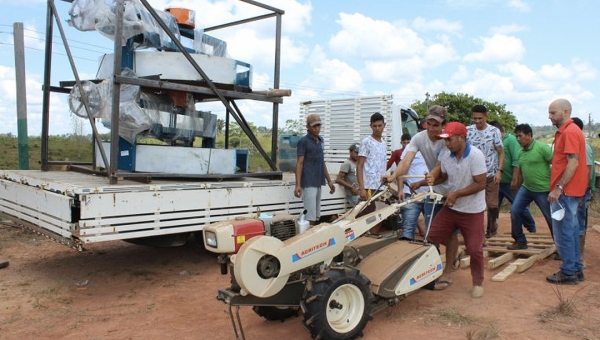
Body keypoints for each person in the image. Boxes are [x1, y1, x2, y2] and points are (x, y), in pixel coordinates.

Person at [384, 105, 461, 275]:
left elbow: (440, 166)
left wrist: (428, 179)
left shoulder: (445, 140)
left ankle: (450, 264)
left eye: (436, 125)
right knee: (431, 231)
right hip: (432, 188)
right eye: (429, 124)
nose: (432, 128)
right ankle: (440, 262)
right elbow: (406, 162)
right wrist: (393, 176)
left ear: (443, 125)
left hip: (450, 188)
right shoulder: (418, 138)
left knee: (450, 232)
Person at [425, 122, 487, 298]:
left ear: (461, 138)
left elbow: (481, 183)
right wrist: (428, 181)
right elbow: (444, 176)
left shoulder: (475, 156)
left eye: (450, 140)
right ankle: (434, 274)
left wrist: (457, 194)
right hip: (452, 208)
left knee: (474, 249)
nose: (447, 144)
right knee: (430, 240)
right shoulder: (446, 155)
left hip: (472, 210)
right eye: (445, 141)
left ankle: (477, 283)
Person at [546, 99, 587, 285]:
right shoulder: (568, 131)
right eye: (549, 112)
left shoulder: (569, 132)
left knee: (564, 232)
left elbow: (573, 162)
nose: (550, 116)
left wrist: (558, 188)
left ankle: (569, 272)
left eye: (553, 113)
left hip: (565, 192)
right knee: (571, 229)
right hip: (571, 190)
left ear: (566, 111)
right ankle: (576, 269)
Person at [506, 124, 553, 250]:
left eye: (520, 136)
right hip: (526, 188)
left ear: (529, 135)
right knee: (515, 211)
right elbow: (521, 170)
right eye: (516, 136)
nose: (518, 139)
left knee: (550, 218)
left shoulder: (542, 148)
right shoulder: (520, 151)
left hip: (543, 190)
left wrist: (556, 187)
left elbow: (556, 165)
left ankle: (560, 247)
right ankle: (520, 240)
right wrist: (517, 185)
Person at [489, 121, 536, 233]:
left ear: (498, 131)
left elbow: (516, 161)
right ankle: (490, 231)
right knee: (492, 207)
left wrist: (515, 180)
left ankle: (531, 227)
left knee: (518, 206)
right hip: (495, 181)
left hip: (508, 181)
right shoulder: (491, 141)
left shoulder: (510, 140)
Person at [467, 105, 504, 238]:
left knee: (492, 205)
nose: (477, 121)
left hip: (491, 174)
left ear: (486, 117)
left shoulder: (494, 131)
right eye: (475, 118)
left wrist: (499, 170)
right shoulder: (468, 131)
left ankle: (493, 220)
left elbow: (500, 152)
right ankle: (480, 235)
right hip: (475, 176)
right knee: (477, 207)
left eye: (480, 118)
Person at [294, 113, 336, 226]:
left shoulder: (320, 141)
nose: (317, 128)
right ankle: (308, 239)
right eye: (314, 126)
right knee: (310, 216)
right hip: (308, 182)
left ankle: (312, 237)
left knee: (316, 215)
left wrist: (329, 181)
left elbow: (322, 162)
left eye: (319, 125)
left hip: (318, 182)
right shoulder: (303, 141)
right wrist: (297, 185)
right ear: (308, 127)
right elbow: (299, 163)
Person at [390, 134, 429, 240]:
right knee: (407, 228)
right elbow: (403, 166)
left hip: (431, 194)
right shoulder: (410, 147)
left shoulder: (436, 147)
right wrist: (400, 190)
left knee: (432, 229)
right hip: (410, 194)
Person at [356, 112, 388, 233]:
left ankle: (371, 239)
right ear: (371, 126)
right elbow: (359, 166)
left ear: (384, 125)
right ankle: (362, 241)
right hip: (368, 186)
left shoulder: (384, 143)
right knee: (366, 217)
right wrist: (362, 188)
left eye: (380, 125)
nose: (377, 128)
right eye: (374, 126)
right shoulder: (366, 142)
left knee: (379, 216)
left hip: (380, 186)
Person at [571, 117, 595, 261]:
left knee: (579, 223)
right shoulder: (580, 144)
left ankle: (578, 258)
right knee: (576, 222)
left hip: (580, 190)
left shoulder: (584, 146)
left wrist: (582, 192)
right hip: (577, 190)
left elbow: (587, 170)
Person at [336, 143, 360, 207]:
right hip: (353, 194)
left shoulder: (359, 163)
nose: (358, 155)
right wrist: (352, 187)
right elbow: (338, 179)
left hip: (360, 192)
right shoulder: (347, 163)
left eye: (359, 153)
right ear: (350, 152)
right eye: (356, 152)